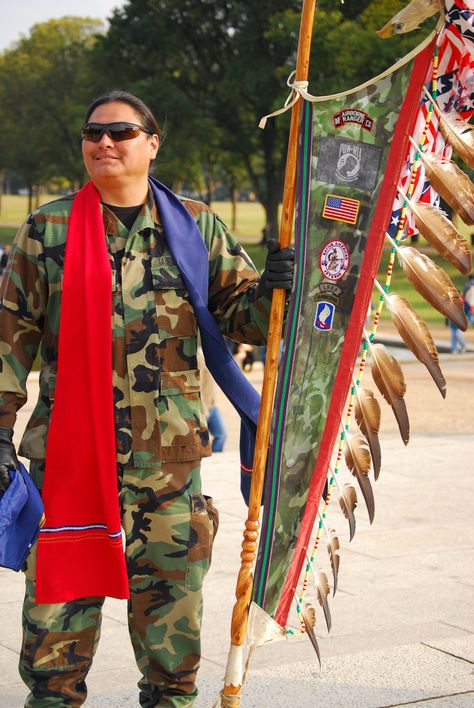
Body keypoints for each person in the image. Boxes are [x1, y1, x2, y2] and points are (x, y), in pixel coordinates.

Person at [0, 90, 294, 707]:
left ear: (152, 144)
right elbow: (9, 339)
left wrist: (273, 289)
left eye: (122, 132)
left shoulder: (196, 226)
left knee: (173, 664)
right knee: (53, 654)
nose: (104, 142)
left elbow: (239, 319)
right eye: (93, 132)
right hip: (70, 471)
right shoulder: (47, 229)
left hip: (171, 475)